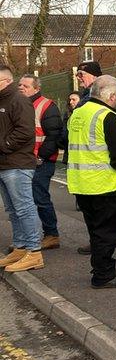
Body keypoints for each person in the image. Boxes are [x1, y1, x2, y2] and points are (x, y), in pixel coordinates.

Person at [66, 75, 116, 288]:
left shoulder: (78, 114)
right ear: (111, 95)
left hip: (82, 184)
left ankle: (100, 269)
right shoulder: (108, 117)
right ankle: (104, 274)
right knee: (107, 234)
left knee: (96, 232)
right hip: (107, 185)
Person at [0, 65, 44, 272]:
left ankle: (34, 252)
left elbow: (25, 131)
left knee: (24, 207)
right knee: (13, 209)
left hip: (17, 164)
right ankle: (20, 247)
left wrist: (3, 145)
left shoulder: (18, 101)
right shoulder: (4, 101)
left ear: (5, 81)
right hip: (5, 164)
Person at [18, 74, 63, 250]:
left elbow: (53, 136)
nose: (21, 88)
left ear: (36, 89)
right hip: (24, 160)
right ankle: (30, 237)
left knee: (40, 198)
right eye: (20, 85)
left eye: (26, 86)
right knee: (23, 201)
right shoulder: (19, 104)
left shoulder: (46, 106)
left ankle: (51, 234)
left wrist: (40, 157)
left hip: (39, 161)